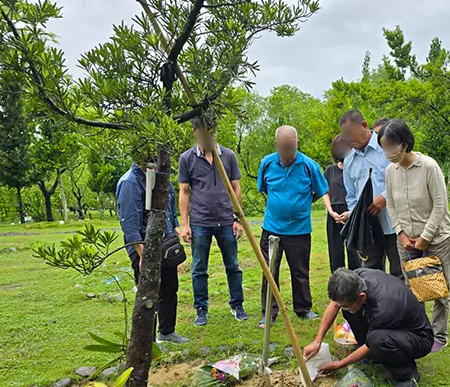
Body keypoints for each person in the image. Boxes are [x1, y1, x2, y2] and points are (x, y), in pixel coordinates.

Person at [381, 119, 450, 352]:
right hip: (406, 240)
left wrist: (425, 237)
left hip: (436, 238)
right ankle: (420, 331)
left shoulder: (429, 167)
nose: (388, 152)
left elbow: (440, 206)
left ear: (404, 143)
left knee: (438, 288)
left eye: (390, 146)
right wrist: (401, 233)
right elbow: (391, 205)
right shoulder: (391, 171)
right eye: (383, 147)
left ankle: (439, 335)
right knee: (414, 289)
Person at [303, 268, 433, 387]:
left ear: (362, 297)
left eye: (345, 305)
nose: (342, 307)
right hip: (394, 326)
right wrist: (317, 341)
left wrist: (339, 364)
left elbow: (369, 344)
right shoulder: (356, 278)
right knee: (350, 312)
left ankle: (407, 376)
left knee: (376, 339)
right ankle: (373, 357)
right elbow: (335, 305)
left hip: (419, 338)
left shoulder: (383, 310)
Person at [257, 125, 331, 326]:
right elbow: (263, 188)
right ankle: (269, 313)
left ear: (297, 143)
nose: (287, 152)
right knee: (269, 271)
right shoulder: (267, 163)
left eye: (290, 147)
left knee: (300, 271)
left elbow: (321, 190)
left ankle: (303, 308)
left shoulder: (309, 165)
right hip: (271, 227)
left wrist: (300, 205)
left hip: (299, 230)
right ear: (276, 145)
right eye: (282, 148)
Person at [178, 118, 248, 326]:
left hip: (226, 220)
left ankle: (237, 304)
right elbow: (184, 191)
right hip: (200, 221)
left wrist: (238, 218)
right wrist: (184, 224)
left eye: (211, 132)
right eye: (203, 133)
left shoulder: (228, 156)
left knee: (233, 265)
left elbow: (236, 188)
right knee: (199, 267)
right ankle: (201, 308)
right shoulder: (187, 159)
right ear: (195, 132)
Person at [116, 159, 189, 344]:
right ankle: (147, 340)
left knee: (170, 288)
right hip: (142, 246)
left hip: (165, 243)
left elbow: (170, 207)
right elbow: (130, 225)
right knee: (148, 295)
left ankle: (167, 331)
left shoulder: (160, 176)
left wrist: (176, 228)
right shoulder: (130, 183)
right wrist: (143, 254)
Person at [339, 110, 402, 279]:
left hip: (394, 223)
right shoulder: (349, 159)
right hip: (368, 228)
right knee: (371, 274)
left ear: (364, 126)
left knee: (400, 271)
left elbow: (402, 177)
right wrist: (357, 217)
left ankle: (404, 305)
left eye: (350, 134)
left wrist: (384, 198)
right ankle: (377, 306)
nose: (348, 140)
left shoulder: (387, 146)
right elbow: (351, 196)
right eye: (345, 136)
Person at [325, 135, 360, 272]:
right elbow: (325, 193)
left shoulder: (355, 168)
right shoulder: (330, 170)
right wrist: (331, 211)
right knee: (335, 253)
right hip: (334, 213)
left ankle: (357, 284)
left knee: (354, 253)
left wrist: (350, 213)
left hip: (351, 212)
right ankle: (338, 285)